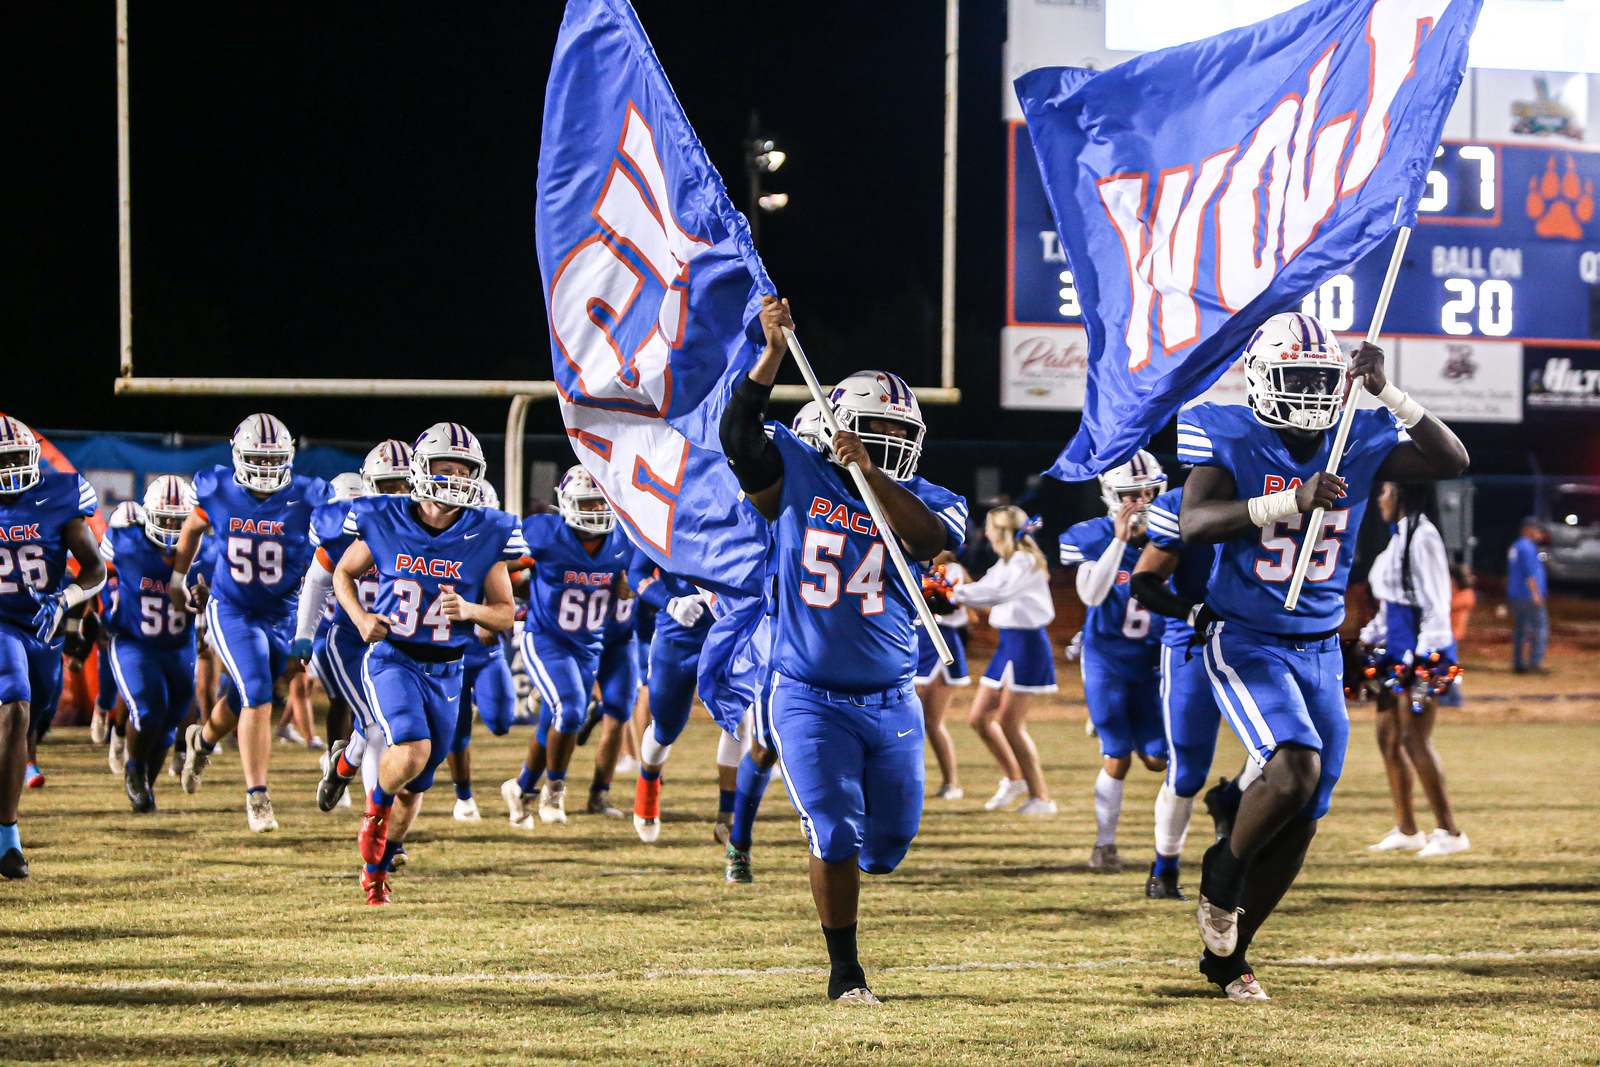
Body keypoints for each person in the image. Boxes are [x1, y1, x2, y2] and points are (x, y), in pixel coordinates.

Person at [1178, 311, 1468, 1001]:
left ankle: (1231, 955)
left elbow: (1452, 460)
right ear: (1261, 377)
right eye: (1295, 376)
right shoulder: (1229, 430)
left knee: (1305, 811)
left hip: (1319, 647)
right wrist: (1286, 499)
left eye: (1320, 378)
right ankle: (1221, 870)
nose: (1310, 392)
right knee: (1294, 765)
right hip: (1246, 635)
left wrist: (1390, 393)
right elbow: (1194, 522)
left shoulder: (1356, 434)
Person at [719, 295, 967, 1005]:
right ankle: (845, 971)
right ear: (836, 429)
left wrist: (874, 474)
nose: (886, 442)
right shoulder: (798, 470)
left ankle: (851, 917)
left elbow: (927, 542)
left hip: (892, 697)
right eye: (871, 431)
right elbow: (739, 437)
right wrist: (769, 354)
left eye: (897, 433)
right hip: (806, 691)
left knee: (884, 848)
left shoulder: (931, 497)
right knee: (833, 832)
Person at [334, 422, 521, 905]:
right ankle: (373, 812)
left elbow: (505, 612)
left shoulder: (487, 531)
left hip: (449, 667)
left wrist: (473, 610)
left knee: (418, 782)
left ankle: (376, 867)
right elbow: (343, 572)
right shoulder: (383, 516)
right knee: (412, 748)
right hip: (393, 657)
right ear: (420, 469)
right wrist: (359, 618)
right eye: (446, 468)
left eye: (466, 470)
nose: (456, 478)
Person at [170, 414, 332, 833]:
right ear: (238, 456)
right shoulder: (218, 488)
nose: (263, 468)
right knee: (257, 688)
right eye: (256, 458)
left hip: (283, 612)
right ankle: (257, 797)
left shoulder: (310, 496)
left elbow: (335, 549)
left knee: (246, 697)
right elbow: (191, 528)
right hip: (232, 608)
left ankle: (201, 741)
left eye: (272, 458)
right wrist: (177, 578)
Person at [0, 414, 106, 877]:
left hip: (42, 627)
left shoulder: (58, 492)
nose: (11, 471)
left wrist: (66, 597)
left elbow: (94, 569)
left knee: (32, 714)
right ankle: (8, 838)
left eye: (16, 460)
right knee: (15, 706)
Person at [1059, 453, 1170, 870]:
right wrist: (1120, 541)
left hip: (1151, 664)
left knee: (1158, 760)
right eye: (1131, 495)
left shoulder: (1171, 535)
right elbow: (1090, 595)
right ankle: (1104, 846)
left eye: (1148, 493)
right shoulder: (1092, 536)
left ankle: (1110, 719)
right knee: (1118, 755)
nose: (1141, 502)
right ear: (1111, 497)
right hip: (1107, 659)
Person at [502, 466, 630, 828]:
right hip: (545, 637)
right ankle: (554, 790)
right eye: (587, 504)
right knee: (572, 708)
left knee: (553, 723)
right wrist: (500, 596)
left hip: (589, 645)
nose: (595, 511)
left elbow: (637, 578)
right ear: (568, 504)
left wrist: (630, 585)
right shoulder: (542, 533)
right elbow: (498, 562)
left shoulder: (623, 539)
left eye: (599, 503)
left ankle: (522, 788)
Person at [1128, 484, 1229, 901]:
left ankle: (1232, 797)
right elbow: (1145, 581)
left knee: (1291, 754)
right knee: (1187, 770)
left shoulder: (1280, 484)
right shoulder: (1181, 504)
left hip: (1263, 644)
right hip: (1195, 645)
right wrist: (1191, 611)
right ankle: (1164, 869)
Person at [1362, 482, 1468, 858]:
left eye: (1387, 491)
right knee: (1386, 738)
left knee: (1414, 739)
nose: (1381, 498)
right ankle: (1407, 828)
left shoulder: (1423, 535)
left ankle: (1450, 832)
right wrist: (1370, 637)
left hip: (1423, 654)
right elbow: (1392, 599)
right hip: (1394, 651)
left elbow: (1437, 601)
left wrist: (1423, 660)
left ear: (1405, 494)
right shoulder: (1400, 535)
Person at [309, 442, 414, 813]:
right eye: (390, 486)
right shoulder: (340, 525)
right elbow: (317, 581)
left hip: (399, 645)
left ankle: (343, 764)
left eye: (406, 485)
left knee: (390, 727)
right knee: (376, 728)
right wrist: (303, 638)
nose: (399, 495)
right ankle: (376, 822)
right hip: (351, 638)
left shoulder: (426, 529)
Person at [100, 476, 198, 812]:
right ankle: (134, 769)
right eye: (166, 519)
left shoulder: (204, 554)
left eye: (179, 521)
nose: (172, 528)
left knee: (171, 721)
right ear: (148, 518)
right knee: (147, 707)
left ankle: (146, 787)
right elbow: (95, 574)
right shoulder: (127, 543)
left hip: (179, 645)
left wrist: (207, 594)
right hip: (134, 641)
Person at [954, 506, 1057, 816]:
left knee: (1010, 724)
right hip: (1009, 645)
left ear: (1002, 532)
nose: (985, 534)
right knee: (978, 718)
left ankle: (1042, 798)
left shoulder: (1024, 561)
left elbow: (995, 593)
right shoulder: (1009, 561)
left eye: (989, 529)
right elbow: (984, 588)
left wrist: (952, 592)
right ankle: (1015, 779)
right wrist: (950, 591)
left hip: (1026, 644)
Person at [445, 482, 517, 821]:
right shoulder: (439, 544)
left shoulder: (494, 545)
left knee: (502, 721)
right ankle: (464, 798)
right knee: (456, 732)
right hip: (451, 651)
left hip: (487, 654)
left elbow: (520, 568)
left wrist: (488, 612)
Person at [914, 552, 969, 800]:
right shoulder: (910, 563)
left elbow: (948, 605)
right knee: (916, 721)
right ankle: (918, 782)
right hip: (914, 642)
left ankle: (951, 782)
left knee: (930, 721)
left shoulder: (953, 570)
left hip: (939, 642)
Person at [1506, 520, 1548, 673]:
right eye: (1536, 530)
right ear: (1527, 530)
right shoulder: (1528, 547)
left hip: (1516, 593)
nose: (1539, 534)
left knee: (1521, 630)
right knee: (1539, 628)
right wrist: (1536, 594)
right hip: (1527, 595)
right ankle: (1535, 663)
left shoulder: (1516, 546)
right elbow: (1529, 574)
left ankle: (1518, 664)